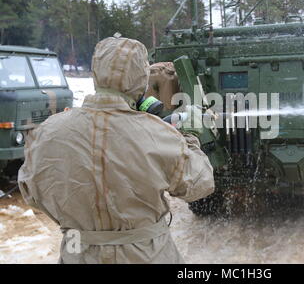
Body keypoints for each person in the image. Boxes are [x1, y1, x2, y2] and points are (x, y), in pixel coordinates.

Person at [18, 36, 215, 264]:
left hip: (79, 252)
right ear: (142, 80)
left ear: (95, 74)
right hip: (147, 255)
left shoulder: (48, 131)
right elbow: (200, 185)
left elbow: (31, 195)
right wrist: (190, 137)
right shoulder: (158, 133)